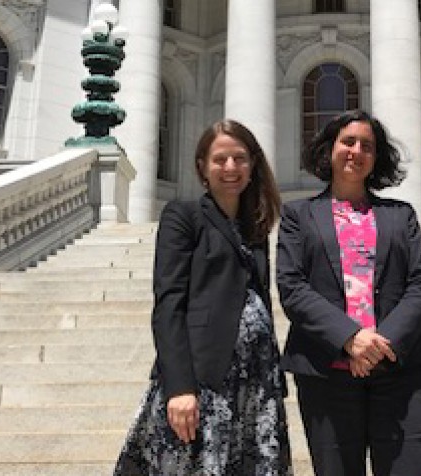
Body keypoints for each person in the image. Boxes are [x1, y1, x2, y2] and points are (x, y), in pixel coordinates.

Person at [114, 120, 292, 475]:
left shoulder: (254, 225)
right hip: (203, 379)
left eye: (240, 158)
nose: (230, 168)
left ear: (252, 164)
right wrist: (180, 386)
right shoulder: (184, 215)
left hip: (254, 384)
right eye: (220, 159)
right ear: (202, 167)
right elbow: (169, 303)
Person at [276, 110, 421, 476]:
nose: (356, 150)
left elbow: (420, 283)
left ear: (376, 158)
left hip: (397, 370)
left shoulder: (401, 215)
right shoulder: (299, 215)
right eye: (348, 141)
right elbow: (292, 286)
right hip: (326, 373)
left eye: (367, 145)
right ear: (330, 148)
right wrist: (349, 338)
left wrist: (381, 343)